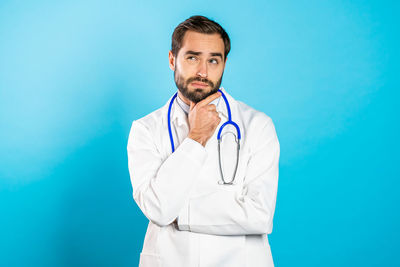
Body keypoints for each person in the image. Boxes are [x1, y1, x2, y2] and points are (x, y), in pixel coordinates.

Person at [127, 15, 280, 267]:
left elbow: (260, 215)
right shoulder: (145, 129)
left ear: (224, 64)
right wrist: (196, 137)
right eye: (192, 57)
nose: (203, 71)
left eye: (213, 60)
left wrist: (182, 213)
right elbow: (158, 209)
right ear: (172, 59)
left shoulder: (257, 125)